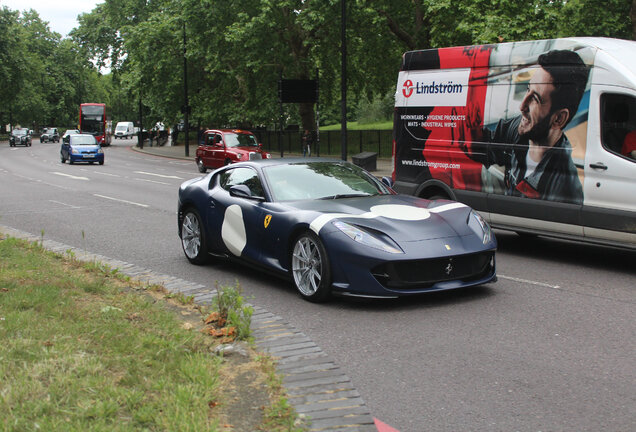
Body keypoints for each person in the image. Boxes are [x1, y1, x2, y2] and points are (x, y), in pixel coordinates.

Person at [463, 49, 589, 204]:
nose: (522, 106)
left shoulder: (564, 188)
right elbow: (483, 150)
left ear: (559, 119)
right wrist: (472, 130)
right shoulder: (518, 128)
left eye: (535, 99)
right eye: (528, 89)